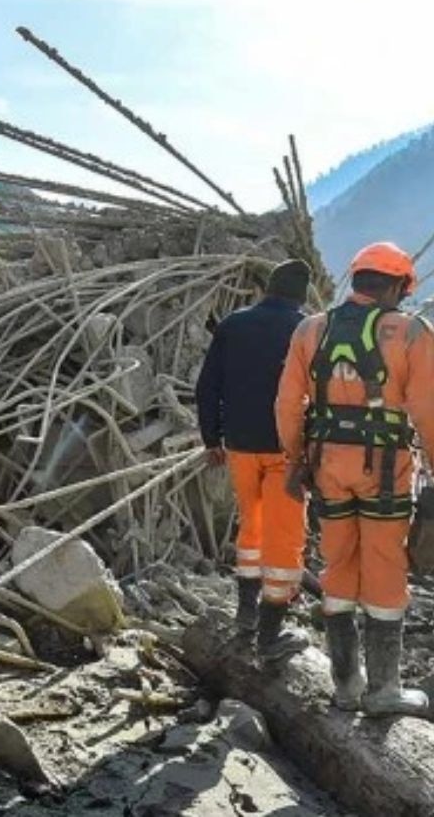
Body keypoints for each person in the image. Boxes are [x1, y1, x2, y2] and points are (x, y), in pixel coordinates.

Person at [277, 241, 434, 716]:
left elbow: (287, 404)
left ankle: (346, 686)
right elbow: (428, 409)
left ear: (357, 278)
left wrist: (294, 460)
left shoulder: (311, 329)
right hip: (384, 470)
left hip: (326, 466)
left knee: (338, 564)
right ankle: (384, 690)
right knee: (385, 566)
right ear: (396, 286)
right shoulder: (410, 332)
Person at [196, 259, 311, 659]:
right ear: (301, 296)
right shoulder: (307, 329)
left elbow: (207, 385)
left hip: (240, 446)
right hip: (286, 451)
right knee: (285, 538)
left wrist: (211, 438)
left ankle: (245, 616)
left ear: (268, 288)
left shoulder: (233, 324)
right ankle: (270, 634)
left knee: (252, 528)